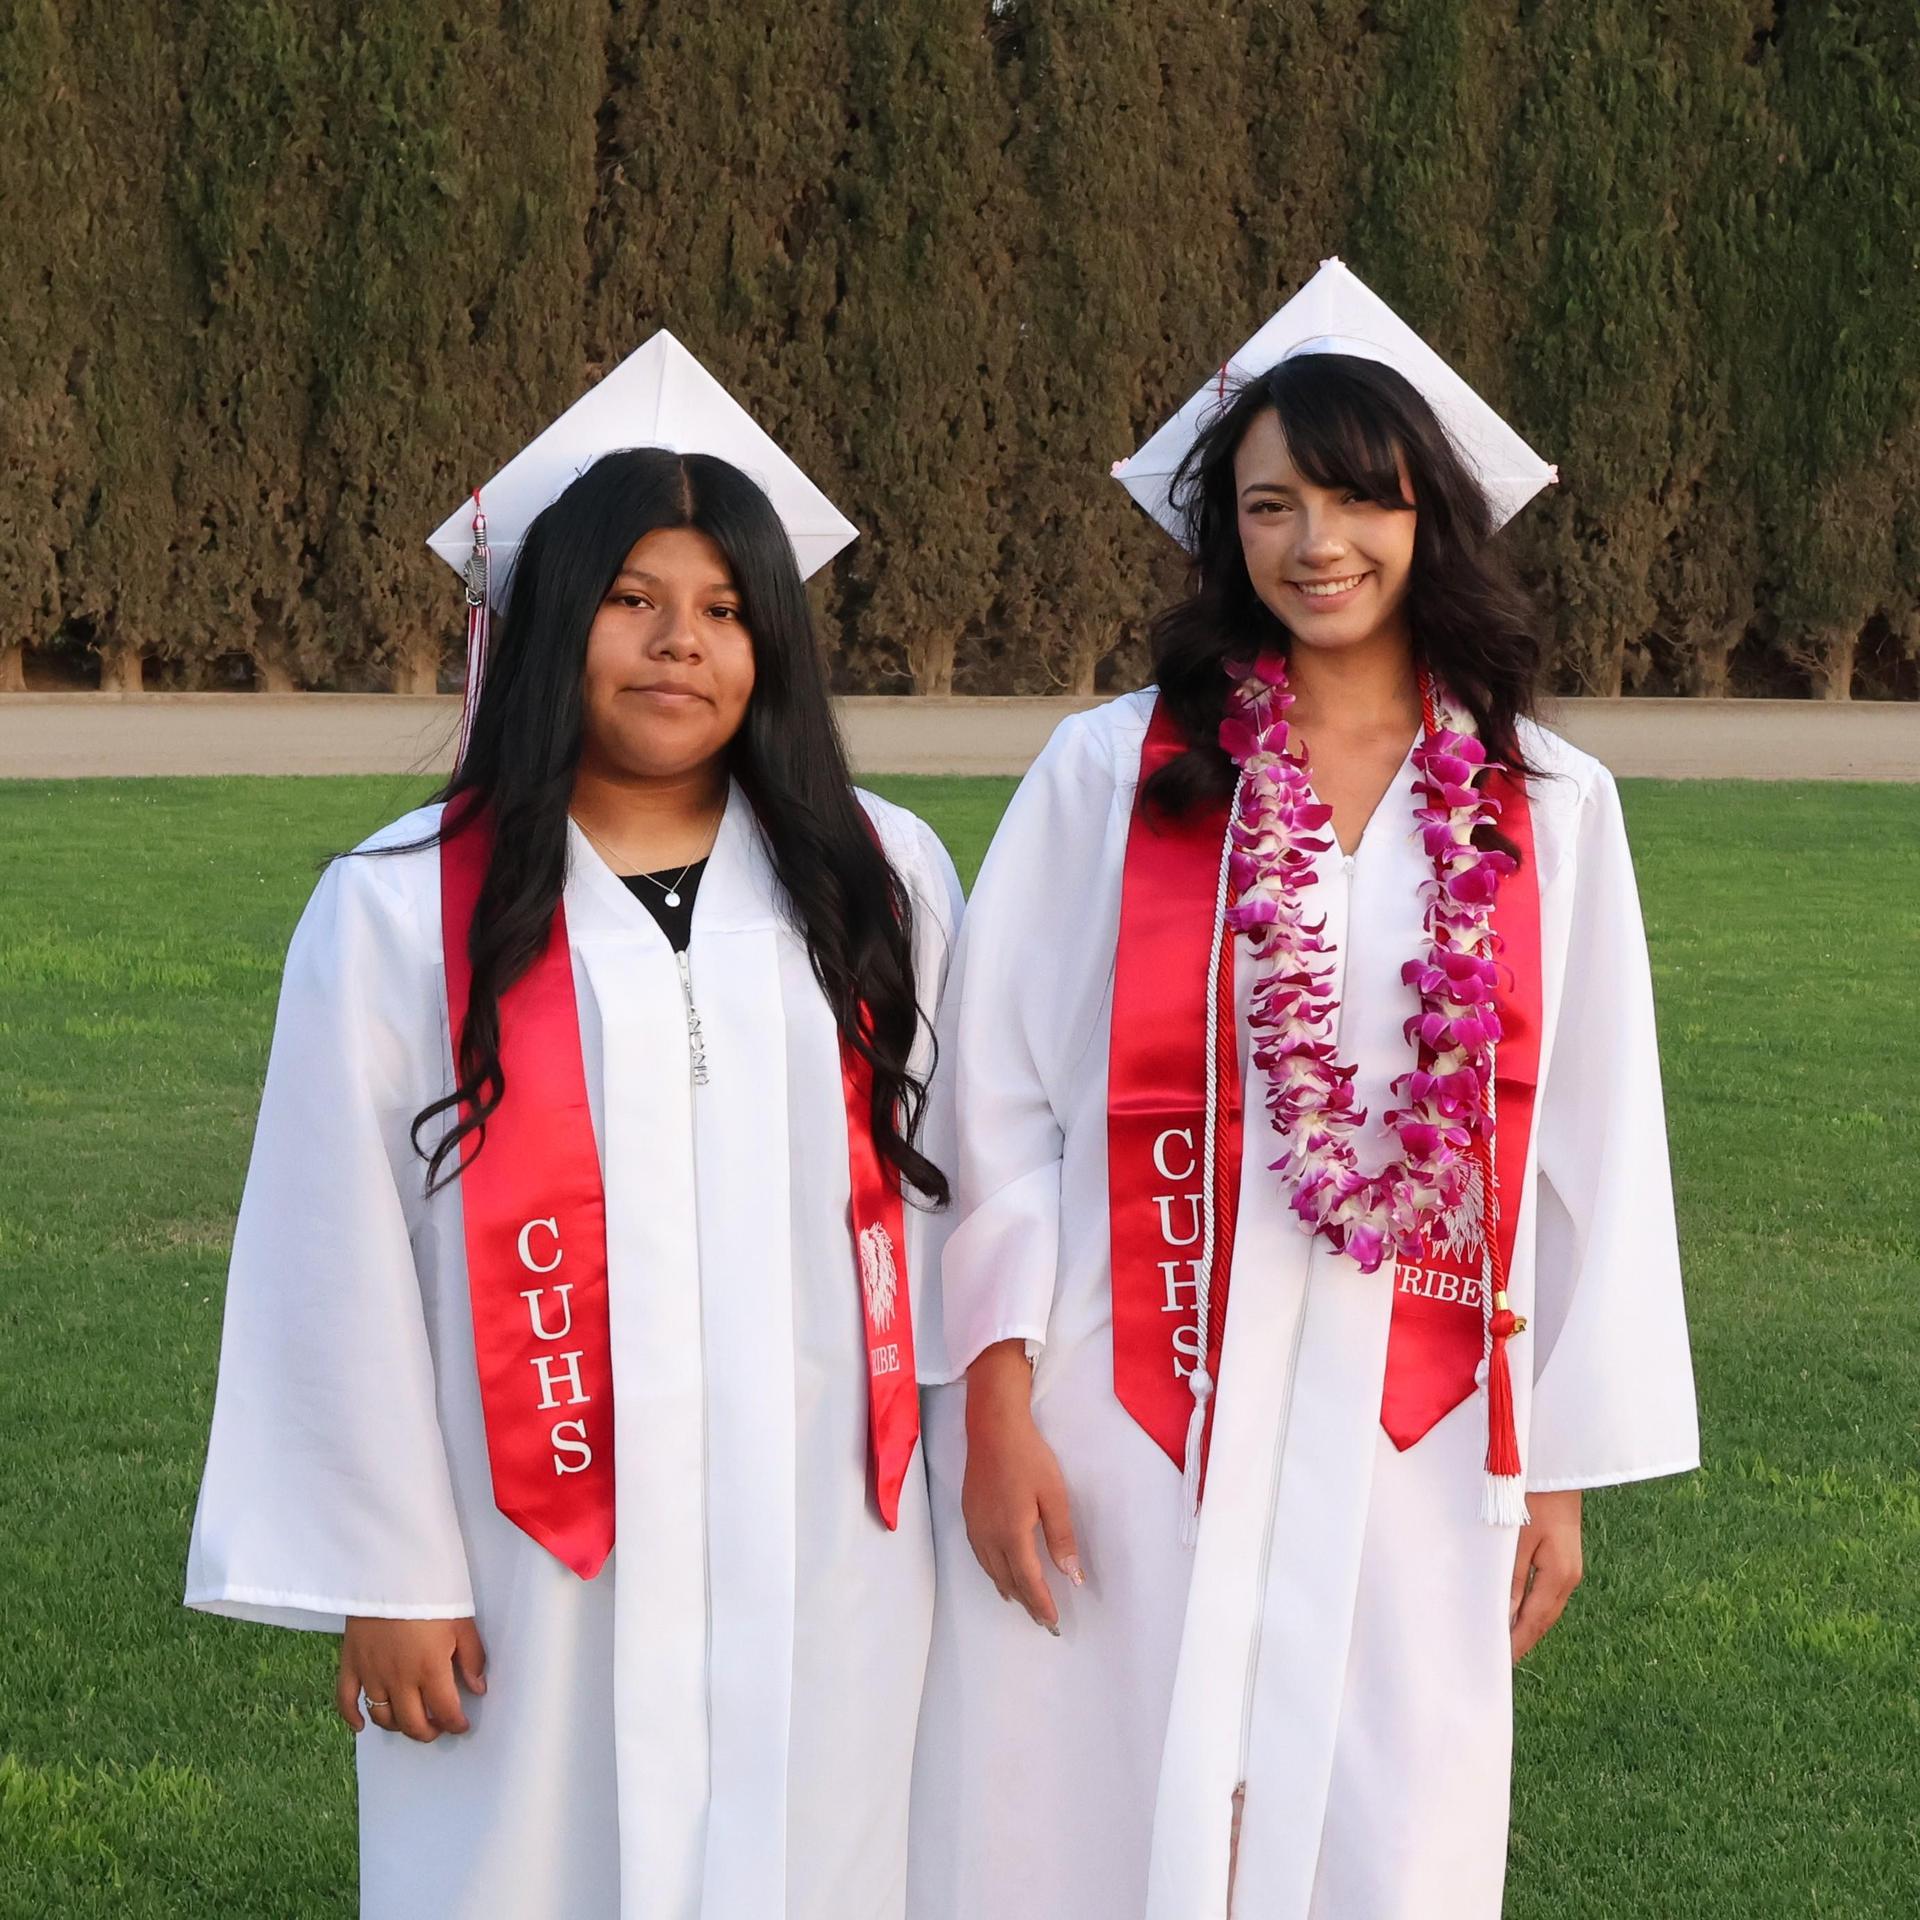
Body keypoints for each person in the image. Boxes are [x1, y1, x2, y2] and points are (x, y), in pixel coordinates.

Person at [908, 260, 1698, 1920]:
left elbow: (1595, 1143)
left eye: (1358, 497)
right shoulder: (1111, 772)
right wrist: (989, 1405)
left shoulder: (1545, 804)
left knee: (1384, 1821)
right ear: (1227, 532)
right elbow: (992, 1104)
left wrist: (1554, 1463)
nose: (1315, 543)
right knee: (1090, 1803)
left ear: (1430, 516)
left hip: (1421, 1412)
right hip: (1127, 1393)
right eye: (1270, 504)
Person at [187, 334, 962, 1919]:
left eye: (727, 610)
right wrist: (385, 1573)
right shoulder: (406, 906)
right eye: (632, 600)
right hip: (525, 1541)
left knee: (824, 1856)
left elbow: (950, 1195)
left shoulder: (880, 878)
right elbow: (328, 1250)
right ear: (549, 626)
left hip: (830, 1528)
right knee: (524, 1864)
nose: (682, 644)